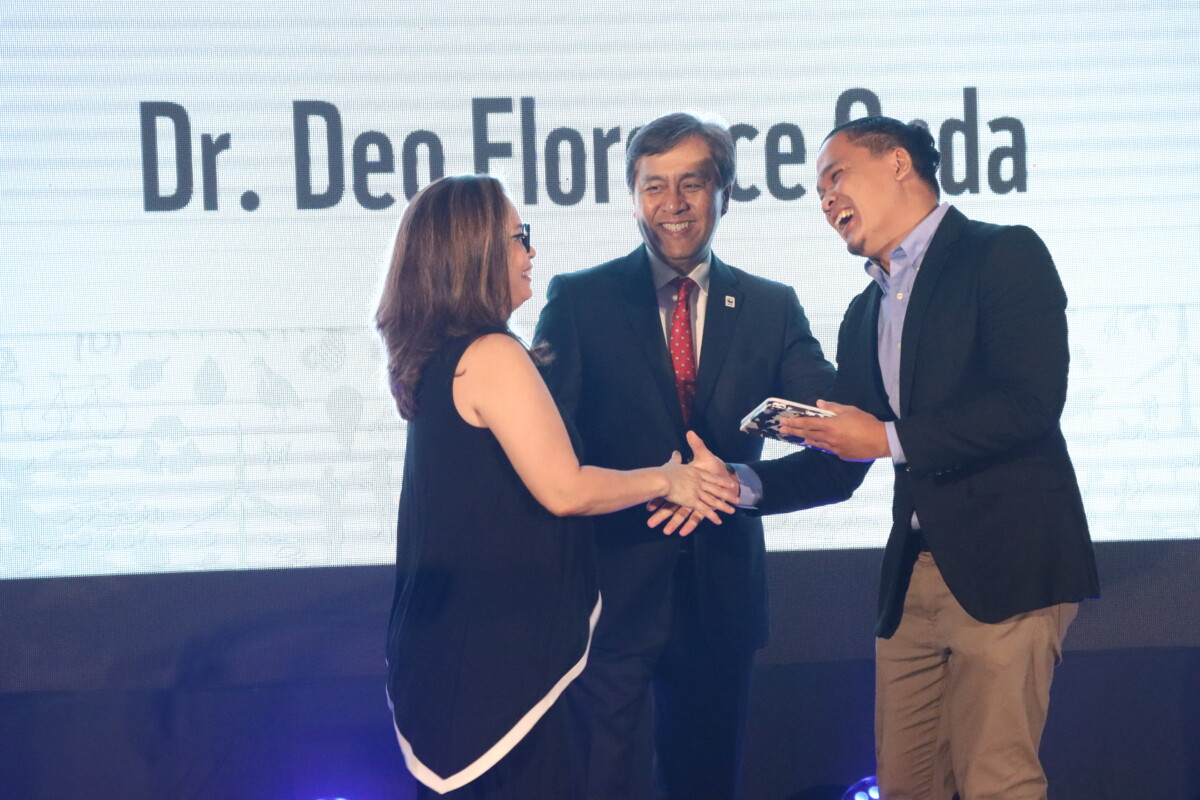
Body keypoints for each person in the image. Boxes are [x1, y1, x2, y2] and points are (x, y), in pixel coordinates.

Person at [662, 116, 1100, 800]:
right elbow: (842, 462)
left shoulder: (1002, 254)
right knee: (906, 788)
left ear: (898, 163)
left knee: (997, 782)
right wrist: (738, 484)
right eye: (817, 189)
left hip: (1010, 564)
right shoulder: (865, 311)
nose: (826, 197)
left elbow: (1029, 404)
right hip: (914, 582)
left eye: (836, 175)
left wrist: (889, 440)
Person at [375, 174, 737, 800]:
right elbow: (564, 489)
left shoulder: (436, 354)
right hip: (503, 664)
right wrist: (671, 479)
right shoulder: (490, 353)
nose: (531, 253)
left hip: (451, 655)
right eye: (519, 238)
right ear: (475, 252)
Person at [533, 112, 842, 800]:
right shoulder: (579, 300)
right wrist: (653, 483)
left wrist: (740, 483)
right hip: (605, 596)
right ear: (634, 197)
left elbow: (831, 434)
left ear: (723, 193)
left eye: (692, 184)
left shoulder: (771, 307)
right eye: (654, 187)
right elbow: (544, 443)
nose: (672, 204)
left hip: (720, 602)